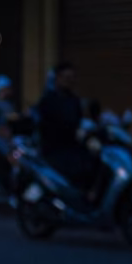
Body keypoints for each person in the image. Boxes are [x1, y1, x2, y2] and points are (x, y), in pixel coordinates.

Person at [37, 63, 97, 191]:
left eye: (72, 77)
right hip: (55, 150)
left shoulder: (74, 100)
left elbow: (79, 121)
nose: (69, 80)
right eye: (66, 77)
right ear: (58, 78)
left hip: (72, 147)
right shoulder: (49, 100)